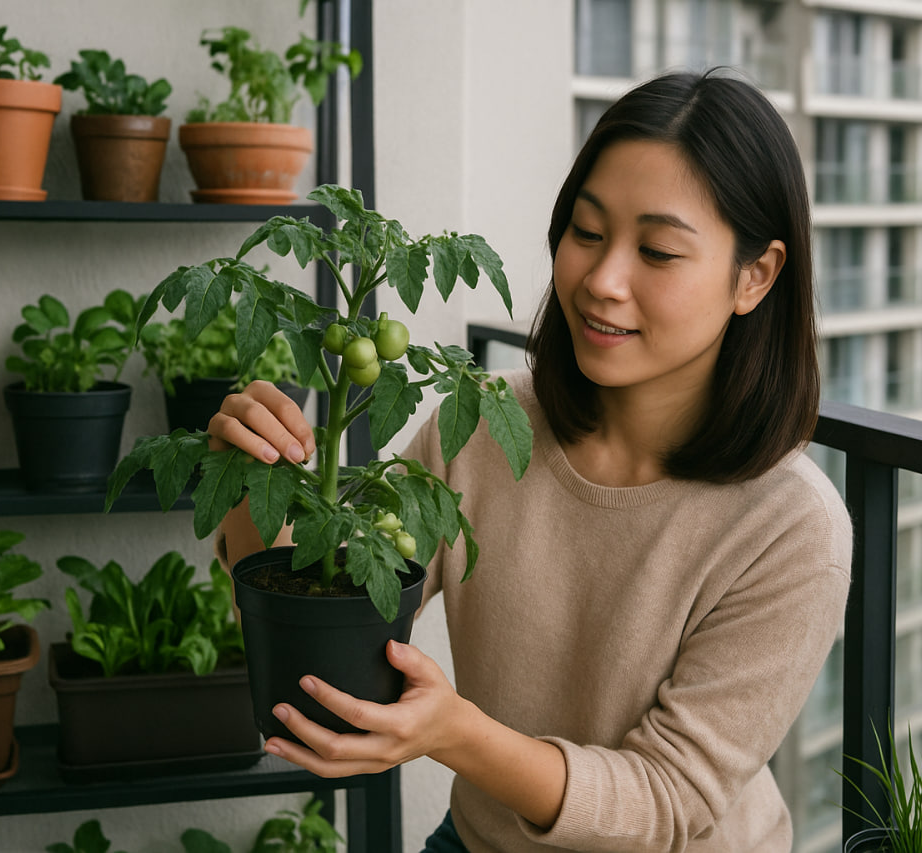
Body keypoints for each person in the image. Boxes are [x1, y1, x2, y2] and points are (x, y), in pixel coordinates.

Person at [209, 68, 852, 853]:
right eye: (586, 232)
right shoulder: (487, 420)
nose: (603, 281)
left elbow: (667, 798)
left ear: (754, 276)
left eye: (656, 250)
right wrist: (253, 478)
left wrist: (455, 735)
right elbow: (328, 614)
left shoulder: (792, 527)